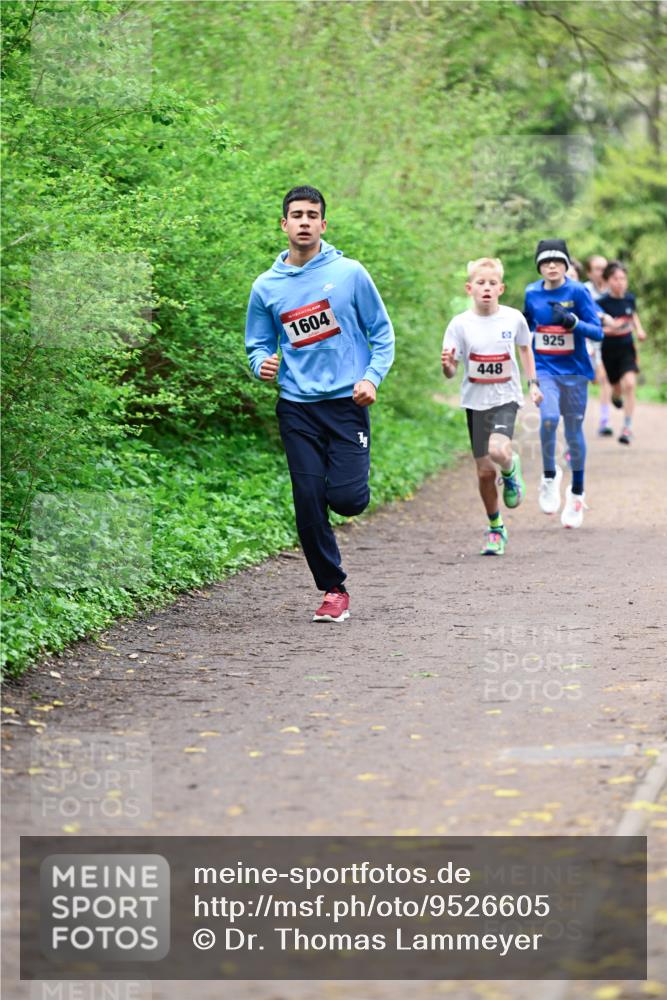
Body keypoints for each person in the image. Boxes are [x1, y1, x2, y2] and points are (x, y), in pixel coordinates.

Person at [245, 185, 395, 622]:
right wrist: (261, 365)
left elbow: (382, 335)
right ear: (284, 224)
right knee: (308, 498)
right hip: (296, 407)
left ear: (323, 225)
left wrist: (371, 377)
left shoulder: (349, 274)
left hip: (347, 403)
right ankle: (333, 589)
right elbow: (256, 344)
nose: (305, 221)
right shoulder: (266, 286)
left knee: (347, 500)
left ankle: (351, 477)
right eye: (297, 214)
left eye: (313, 214)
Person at [441, 258, 543, 556]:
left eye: (492, 284)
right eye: (480, 283)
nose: (486, 289)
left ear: (501, 288)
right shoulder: (459, 324)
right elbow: (450, 370)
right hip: (475, 403)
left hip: (505, 397)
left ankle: (511, 471)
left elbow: (526, 348)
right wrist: (448, 366)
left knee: (499, 451)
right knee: (485, 473)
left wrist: (533, 383)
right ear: (469, 288)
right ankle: (496, 527)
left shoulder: (513, 318)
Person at [523, 239, 603, 529]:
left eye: (557, 261)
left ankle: (577, 492)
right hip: (545, 369)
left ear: (567, 265)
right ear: (540, 267)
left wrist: (573, 323)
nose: (552, 266)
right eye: (545, 262)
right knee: (547, 419)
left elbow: (598, 332)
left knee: (572, 432)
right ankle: (548, 475)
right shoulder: (531, 293)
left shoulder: (578, 291)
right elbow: (527, 328)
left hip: (576, 371)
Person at [597, 261, 647, 445]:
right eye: (616, 279)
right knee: (616, 388)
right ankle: (615, 397)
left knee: (630, 384)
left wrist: (639, 330)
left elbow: (632, 315)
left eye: (623, 279)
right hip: (608, 351)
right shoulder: (601, 303)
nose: (620, 282)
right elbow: (597, 328)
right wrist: (613, 329)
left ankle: (627, 427)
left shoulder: (630, 299)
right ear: (608, 280)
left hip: (627, 349)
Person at [584, 254, 614, 436]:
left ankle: (605, 420)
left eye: (605, 268)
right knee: (592, 379)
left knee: (605, 379)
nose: (602, 272)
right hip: (589, 341)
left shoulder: (614, 288)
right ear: (589, 272)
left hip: (610, 342)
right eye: (598, 268)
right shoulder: (584, 291)